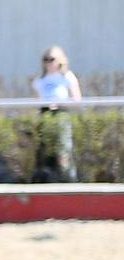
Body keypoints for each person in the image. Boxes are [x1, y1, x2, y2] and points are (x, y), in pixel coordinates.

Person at [32, 46, 82, 183]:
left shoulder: (66, 77)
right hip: (45, 116)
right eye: (45, 59)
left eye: (52, 59)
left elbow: (77, 100)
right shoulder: (40, 80)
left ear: (59, 60)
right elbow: (36, 103)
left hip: (61, 115)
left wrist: (59, 105)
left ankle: (68, 180)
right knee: (44, 151)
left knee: (63, 150)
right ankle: (44, 180)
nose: (48, 63)